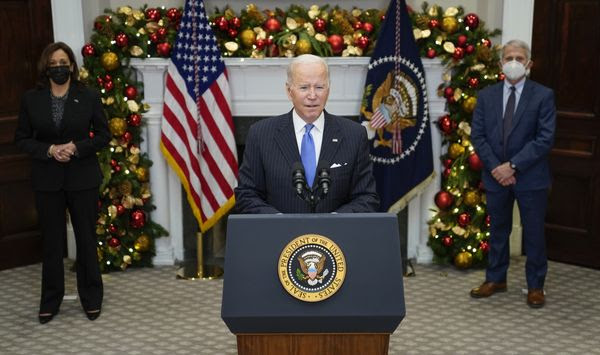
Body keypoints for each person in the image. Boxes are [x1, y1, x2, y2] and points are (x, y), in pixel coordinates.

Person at [14, 42, 110, 323]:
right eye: (53, 62)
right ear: (46, 67)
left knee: (86, 239)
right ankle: (50, 300)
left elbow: (103, 135)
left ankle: (92, 297)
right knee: (52, 243)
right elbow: (21, 138)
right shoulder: (31, 99)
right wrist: (49, 150)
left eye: (63, 62)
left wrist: (76, 148)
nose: (59, 67)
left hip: (83, 177)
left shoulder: (88, 96)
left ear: (71, 66)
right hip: (47, 179)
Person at [470, 39, 556, 308]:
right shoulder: (486, 96)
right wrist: (497, 168)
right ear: (500, 64)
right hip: (496, 176)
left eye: (519, 58)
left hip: (531, 177)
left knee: (533, 234)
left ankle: (535, 285)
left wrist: (513, 166)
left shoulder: (543, 95)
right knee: (498, 230)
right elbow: (479, 135)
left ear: (528, 64)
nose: (514, 63)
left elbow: (544, 138)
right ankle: (496, 278)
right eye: (509, 58)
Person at [235, 54, 379, 213]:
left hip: (335, 236)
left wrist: (337, 221)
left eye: (319, 87)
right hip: (280, 235)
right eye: (304, 87)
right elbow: (246, 195)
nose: (312, 96)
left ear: (328, 90)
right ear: (289, 91)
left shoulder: (354, 135)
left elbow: (366, 197)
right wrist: (278, 222)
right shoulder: (261, 134)